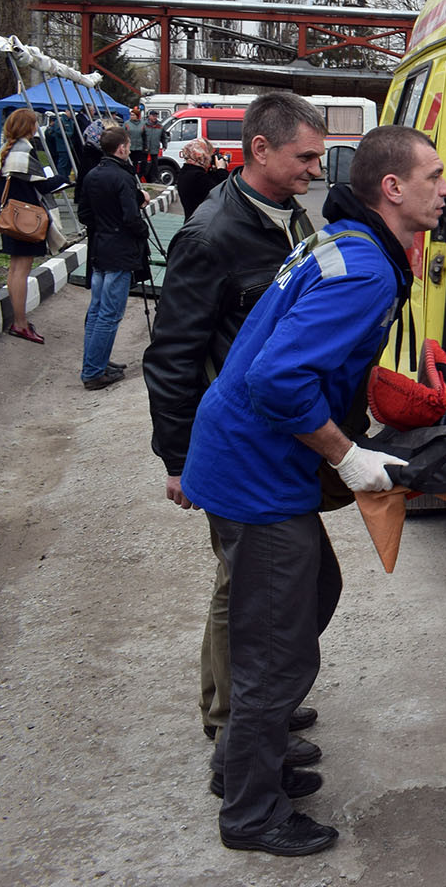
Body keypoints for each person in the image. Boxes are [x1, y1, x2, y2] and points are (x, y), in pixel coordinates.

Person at [182, 124, 446, 857]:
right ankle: (250, 812)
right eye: (434, 176)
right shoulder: (365, 268)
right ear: (391, 189)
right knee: (279, 648)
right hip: (253, 468)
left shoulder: (350, 245)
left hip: (245, 457)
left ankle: (243, 756)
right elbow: (278, 378)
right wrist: (349, 458)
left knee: (310, 594)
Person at [144, 93, 328, 770]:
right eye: (304, 156)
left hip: (273, 443)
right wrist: (178, 458)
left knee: (269, 582)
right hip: (233, 450)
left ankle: (253, 701)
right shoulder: (212, 233)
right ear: (259, 150)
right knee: (241, 585)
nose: (316, 167)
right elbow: (172, 356)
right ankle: (232, 725)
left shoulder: (290, 219)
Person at [76, 125, 146, 390]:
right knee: (109, 313)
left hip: (100, 248)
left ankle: (95, 362)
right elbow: (131, 218)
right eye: (128, 145)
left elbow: (84, 214)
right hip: (118, 251)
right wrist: (141, 229)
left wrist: (105, 225)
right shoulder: (122, 177)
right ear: (122, 148)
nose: (129, 149)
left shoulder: (93, 174)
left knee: (96, 310)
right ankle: (94, 371)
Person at [0, 108, 60, 343]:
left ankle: (19, 320)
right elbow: (42, 186)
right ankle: (20, 323)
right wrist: (64, 179)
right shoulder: (24, 151)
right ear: (27, 126)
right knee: (21, 271)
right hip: (26, 221)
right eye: (34, 123)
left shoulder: (6, 149)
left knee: (14, 270)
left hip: (10, 217)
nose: (37, 127)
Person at [175, 138, 228, 220]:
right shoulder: (197, 176)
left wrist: (214, 171)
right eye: (209, 154)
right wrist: (221, 169)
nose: (210, 158)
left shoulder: (185, 171)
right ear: (202, 156)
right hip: (202, 226)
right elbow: (223, 193)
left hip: (192, 222)